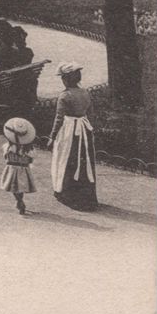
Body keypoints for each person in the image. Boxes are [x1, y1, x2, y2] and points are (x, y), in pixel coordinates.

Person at [47, 63, 98, 211]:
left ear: (66, 80)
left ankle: (67, 194)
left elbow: (59, 119)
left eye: (63, 78)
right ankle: (86, 197)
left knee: (66, 158)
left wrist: (52, 137)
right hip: (84, 129)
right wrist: (90, 130)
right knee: (84, 160)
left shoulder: (64, 95)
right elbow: (91, 114)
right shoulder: (85, 93)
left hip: (69, 130)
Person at [0, 117, 37, 216]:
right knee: (20, 187)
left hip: (11, 168)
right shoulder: (29, 149)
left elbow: (5, 157)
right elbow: (31, 160)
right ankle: (20, 201)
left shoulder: (8, 147)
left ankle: (19, 201)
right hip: (24, 169)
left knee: (14, 187)